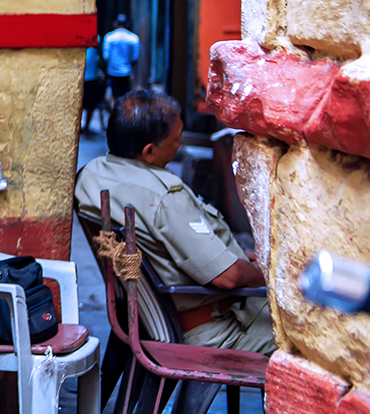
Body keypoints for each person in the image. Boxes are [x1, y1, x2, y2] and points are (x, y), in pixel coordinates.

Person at [74, 88, 272, 354]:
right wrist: (266, 274)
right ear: (149, 151)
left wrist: (234, 257)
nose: (179, 146)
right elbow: (228, 277)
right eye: (176, 141)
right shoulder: (165, 197)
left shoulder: (90, 174)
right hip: (214, 331)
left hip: (151, 320)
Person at [102, 15, 141, 104]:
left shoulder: (109, 37)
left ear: (115, 24)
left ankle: (115, 110)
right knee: (125, 96)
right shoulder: (133, 38)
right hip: (126, 71)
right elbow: (135, 57)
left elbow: (106, 56)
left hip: (112, 71)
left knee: (115, 96)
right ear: (127, 24)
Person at [81, 36, 107, 134]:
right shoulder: (95, 40)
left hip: (91, 77)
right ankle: (83, 127)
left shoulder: (96, 39)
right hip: (88, 76)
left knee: (89, 104)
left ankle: (86, 127)